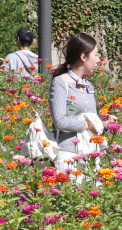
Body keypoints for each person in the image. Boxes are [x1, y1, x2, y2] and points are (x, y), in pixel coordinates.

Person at [48, 32, 101, 175]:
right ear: (84, 57)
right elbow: (60, 121)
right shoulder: (60, 82)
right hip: (68, 156)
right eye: (96, 55)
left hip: (90, 153)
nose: (98, 59)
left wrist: (103, 124)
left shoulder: (88, 84)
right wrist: (87, 125)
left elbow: (90, 119)